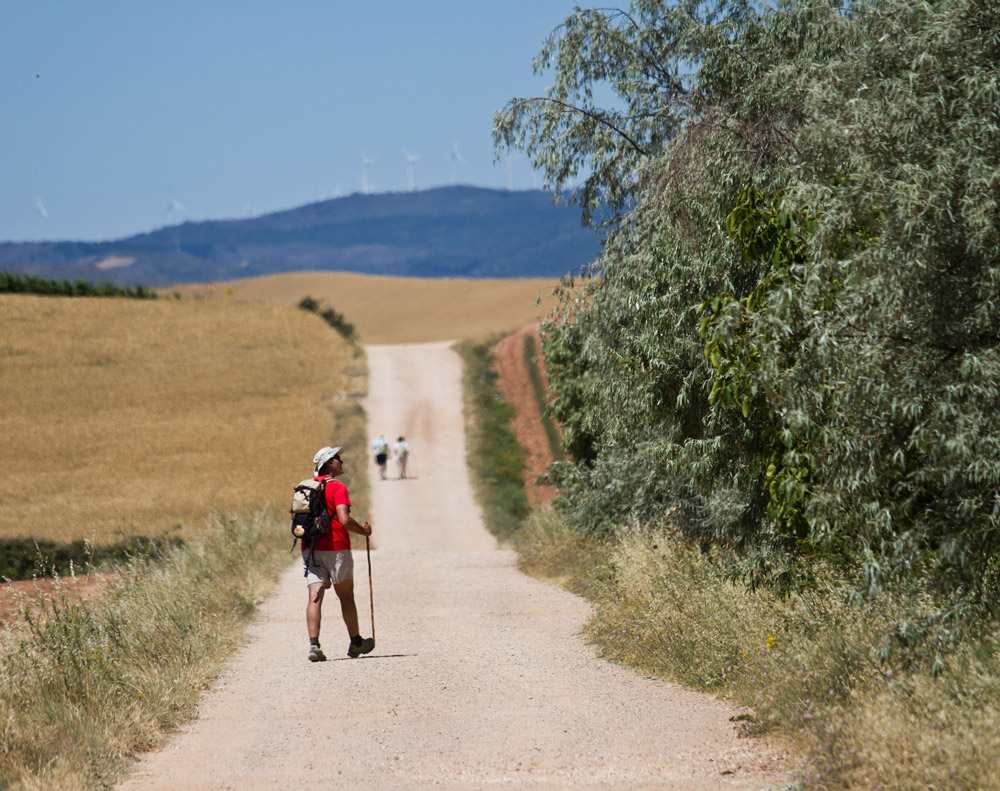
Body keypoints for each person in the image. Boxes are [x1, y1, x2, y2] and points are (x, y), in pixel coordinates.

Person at [304, 445, 375, 662]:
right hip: (336, 547)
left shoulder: (305, 487)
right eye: (336, 458)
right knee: (346, 597)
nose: (341, 462)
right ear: (328, 464)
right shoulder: (337, 487)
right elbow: (344, 519)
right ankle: (356, 643)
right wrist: (362, 530)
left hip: (310, 547)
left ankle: (314, 646)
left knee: (314, 597)